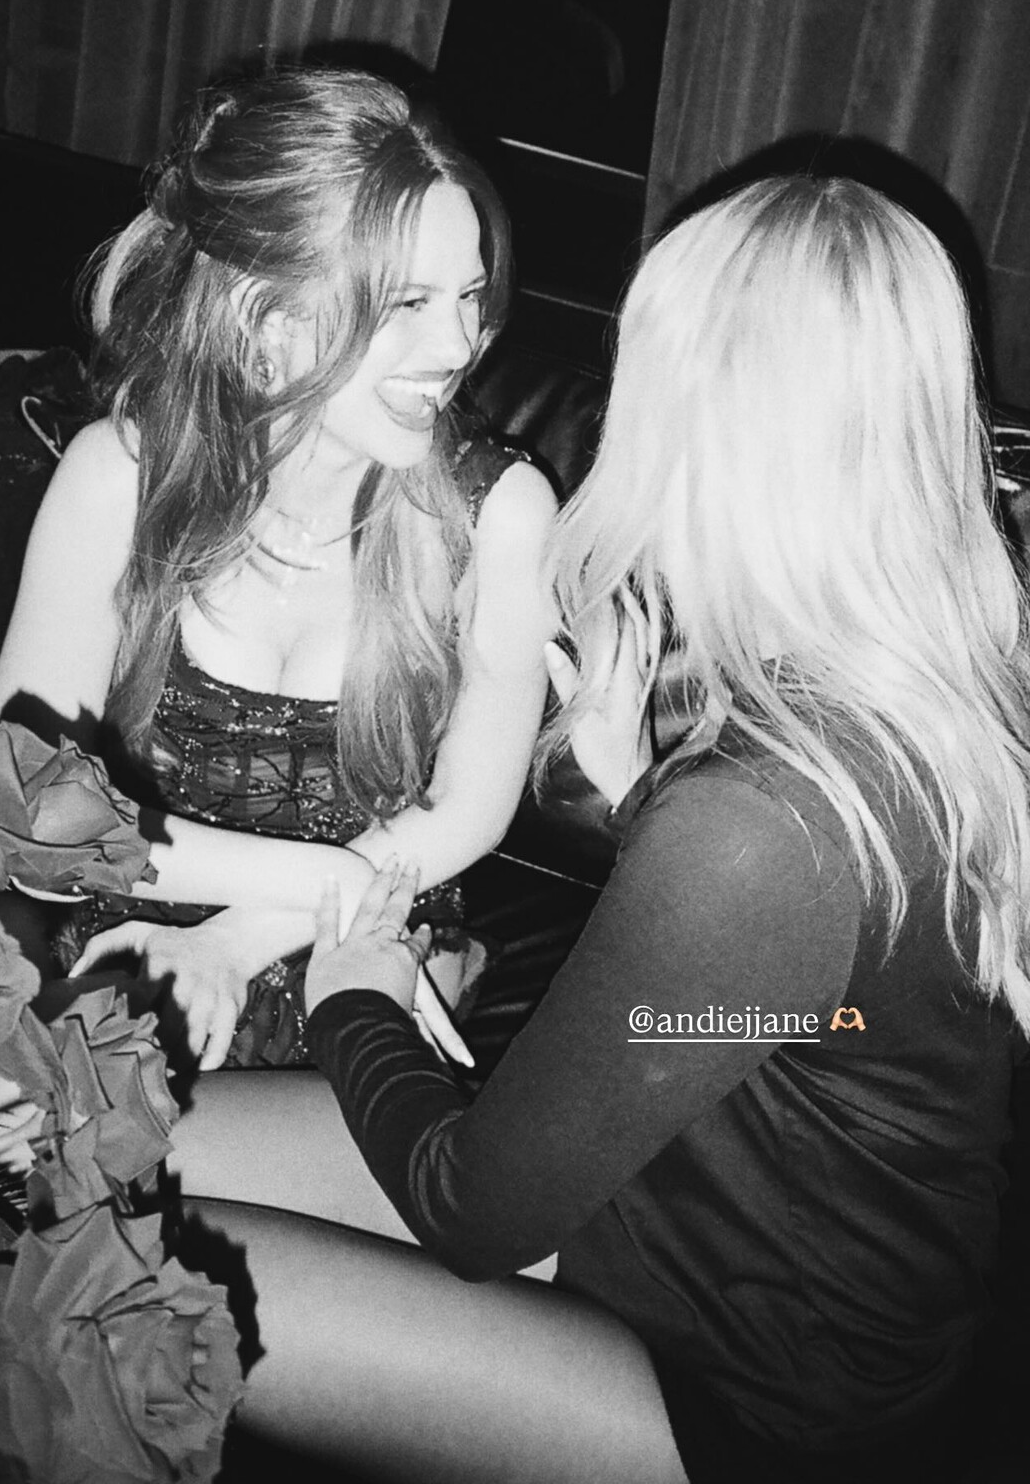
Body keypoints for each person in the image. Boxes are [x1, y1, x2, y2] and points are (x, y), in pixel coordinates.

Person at [176, 177, 1030, 1483]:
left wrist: (356, 993)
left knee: (80, 1286)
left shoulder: (766, 816)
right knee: (78, 1153)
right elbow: (792, 999)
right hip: (672, 1212)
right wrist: (639, 796)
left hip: (743, 1387)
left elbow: (469, 1210)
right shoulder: (933, 682)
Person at [0, 65, 557, 1071]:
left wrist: (238, 939)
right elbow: (34, 812)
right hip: (142, 924)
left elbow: (467, 811)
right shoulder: (118, 479)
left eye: (470, 296)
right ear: (264, 315)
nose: (459, 345)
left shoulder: (498, 517)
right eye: (409, 302)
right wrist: (309, 884)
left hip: (364, 948)